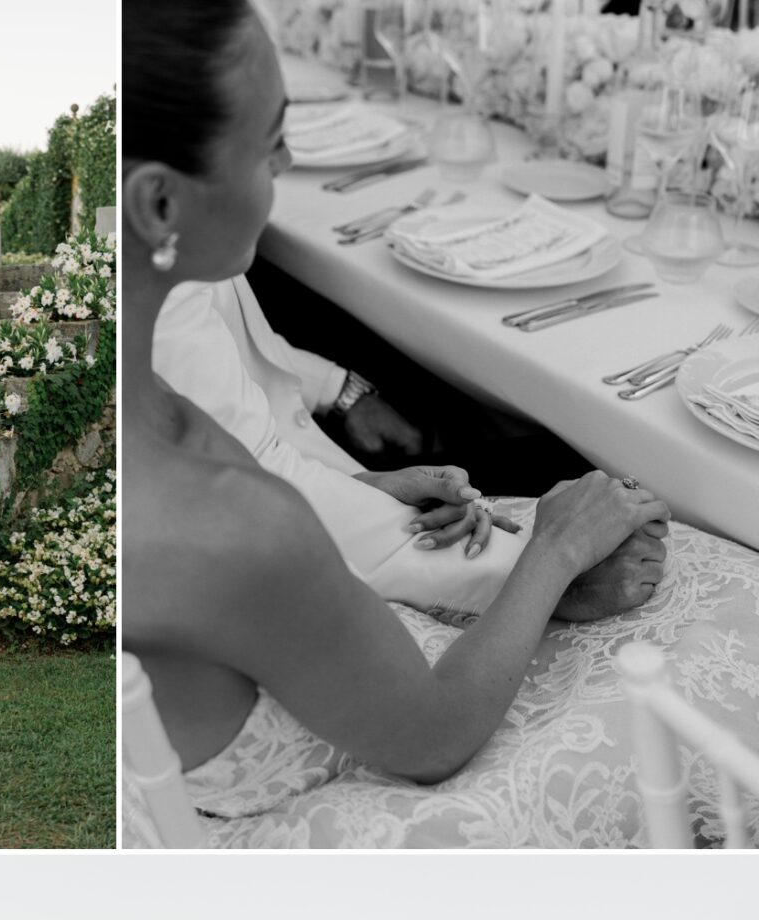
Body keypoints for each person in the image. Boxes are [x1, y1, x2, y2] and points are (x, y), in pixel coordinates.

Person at [122, 0, 759, 848]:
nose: (288, 159)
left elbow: (261, 512)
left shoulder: (139, 410)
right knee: (730, 617)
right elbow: (435, 735)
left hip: (321, 695)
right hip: (380, 788)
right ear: (161, 204)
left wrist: (369, 485)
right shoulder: (230, 521)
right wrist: (554, 553)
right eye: (270, 140)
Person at [155, 279, 652, 620]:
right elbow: (258, 497)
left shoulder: (164, 254)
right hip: (301, 562)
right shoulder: (157, 287)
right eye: (267, 146)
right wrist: (550, 571)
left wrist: (342, 399)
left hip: (322, 485)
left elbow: (228, 342)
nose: (282, 162)